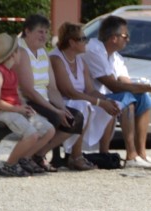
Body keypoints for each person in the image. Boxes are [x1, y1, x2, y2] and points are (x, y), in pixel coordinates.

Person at [83, 15, 151, 168]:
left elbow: (127, 84)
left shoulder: (116, 57)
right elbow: (114, 86)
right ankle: (131, 156)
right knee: (128, 99)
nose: (128, 40)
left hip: (105, 96)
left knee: (143, 99)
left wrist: (150, 89)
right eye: (125, 36)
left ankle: (141, 154)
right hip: (88, 97)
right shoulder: (94, 50)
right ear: (113, 38)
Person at [49, 22, 122, 171]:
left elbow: (90, 89)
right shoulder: (56, 59)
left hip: (78, 100)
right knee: (85, 106)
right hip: (59, 101)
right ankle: (76, 156)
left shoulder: (81, 61)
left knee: (108, 106)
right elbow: (68, 91)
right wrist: (100, 102)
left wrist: (107, 100)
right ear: (71, 42)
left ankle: (103, 153)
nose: (86, 42)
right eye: (83, 39)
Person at [15, 14, 82, 173]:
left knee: (75, 118)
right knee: (55, 117)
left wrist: (61, 107)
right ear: (27, 31)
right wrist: (55, 110)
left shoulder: (44, 52)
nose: (44, 36)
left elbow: (51, 87)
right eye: (40, 31)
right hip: (24, 101)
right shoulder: (21, 50)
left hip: (42, 100)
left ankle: (38, 154)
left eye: (46, 32)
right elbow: (28, 91)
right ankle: (25, 157)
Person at [0, 33, 54, 177]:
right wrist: (18, 109)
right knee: (31, 134)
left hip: (14, 110)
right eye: (19, 50)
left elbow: (16, 96)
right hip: (1, 111)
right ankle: (10, 164)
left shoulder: (11, 73)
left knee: (48, 130)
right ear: (13, 55)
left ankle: (23, 159)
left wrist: (24, 107)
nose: (21, 53)